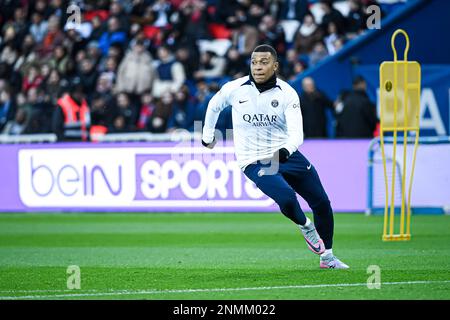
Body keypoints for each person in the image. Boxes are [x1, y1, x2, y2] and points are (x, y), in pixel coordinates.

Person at [201, 44, 349, 269]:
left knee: (322, 202)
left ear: (276, 66)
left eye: (264, 62)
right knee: (287, 198)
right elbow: (214, 105)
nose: (258, 67)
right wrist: (207, 136)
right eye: (254, 62)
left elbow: (297, 133)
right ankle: (306, 226)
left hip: (287, 154)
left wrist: (284, 151)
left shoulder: (287, 92)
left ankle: (327, 257)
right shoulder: (235, 88)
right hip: (254, 160)